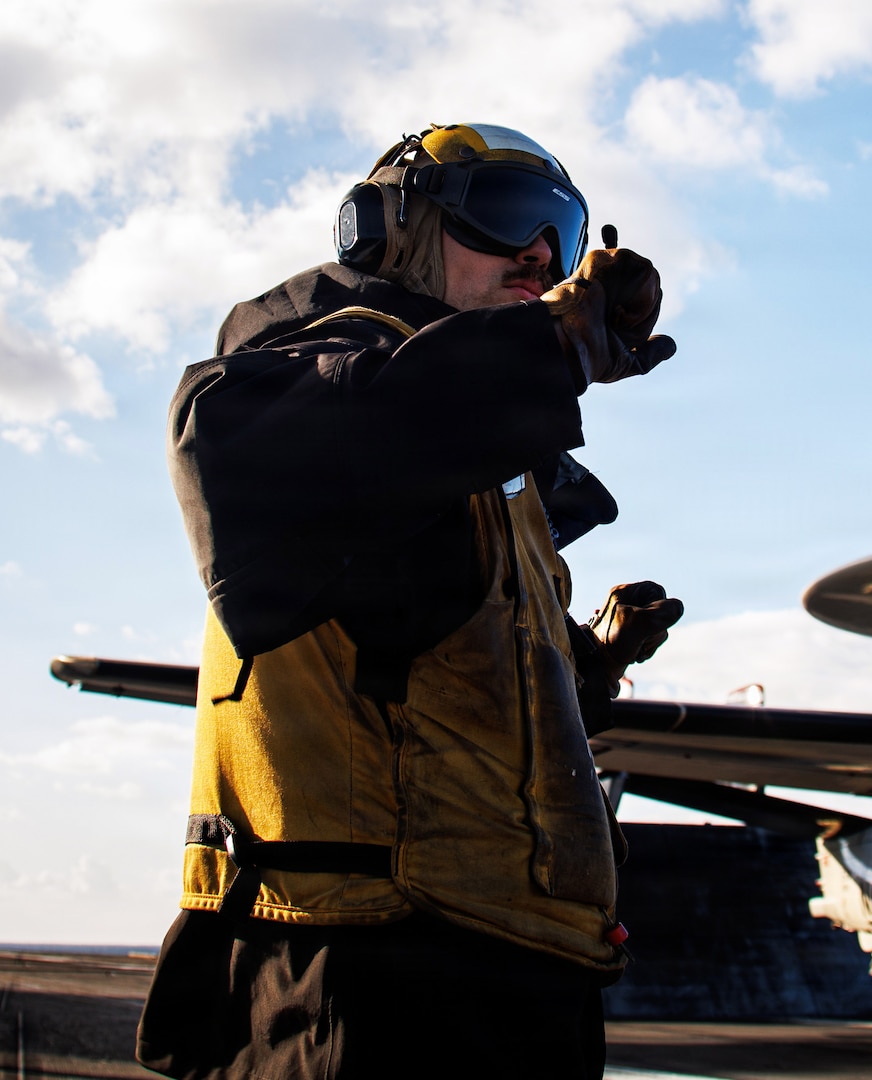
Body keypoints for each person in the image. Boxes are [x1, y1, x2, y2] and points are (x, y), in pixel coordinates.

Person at [136, 122, 683, 1079]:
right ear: (396, 228)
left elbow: (457, 702)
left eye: (560, 226)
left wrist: (588, 665)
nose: (542, 253)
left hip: (525, 971)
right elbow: (282, 463)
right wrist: (548, 346)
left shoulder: (492, 469)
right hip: (370, 974)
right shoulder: (314, 363)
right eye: (507, 214)